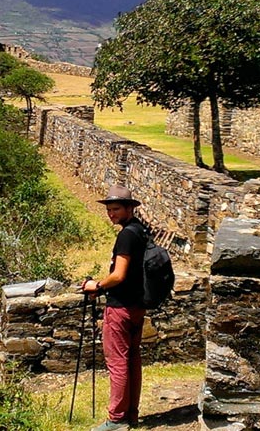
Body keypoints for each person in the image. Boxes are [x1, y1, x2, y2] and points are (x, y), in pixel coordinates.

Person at [81, 185, 147, 431]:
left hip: (120, 307)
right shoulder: (141, 230)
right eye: (109, 210)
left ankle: (116, 419)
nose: (111, 214)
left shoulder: (126, 235)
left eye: (116, 209)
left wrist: (96, 285)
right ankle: (131, 414)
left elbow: (118, 275)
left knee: (118, 362)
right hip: (138, 305)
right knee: (132, 360)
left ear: (130, 208)